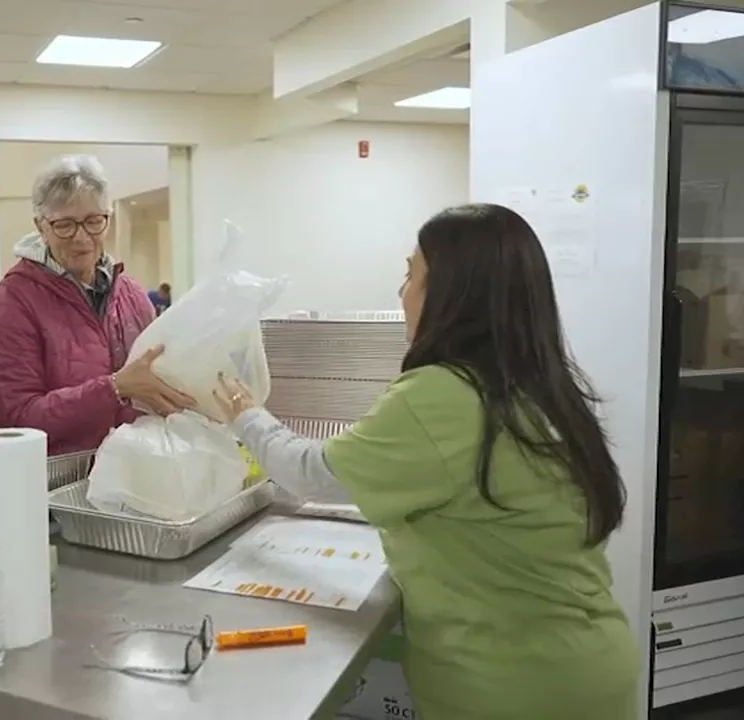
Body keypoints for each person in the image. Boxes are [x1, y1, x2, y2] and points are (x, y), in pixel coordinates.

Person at [214, 204, 640, 720]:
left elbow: (313, 472)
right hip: (584, 667)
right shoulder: (535, 383)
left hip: (511, 687)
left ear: (453, 295)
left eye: (411, 274)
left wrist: (246, 415)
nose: (402, 292)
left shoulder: (442, 393)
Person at [0, 154, 192, 454]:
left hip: (135, 474)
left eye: (94, 222)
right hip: (55, 483)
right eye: (64, 225)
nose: (81, 238)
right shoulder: (12, 302)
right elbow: (16, 420)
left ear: (108, 218)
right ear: (41, 226)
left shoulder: (131, 294)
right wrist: (114, 389)